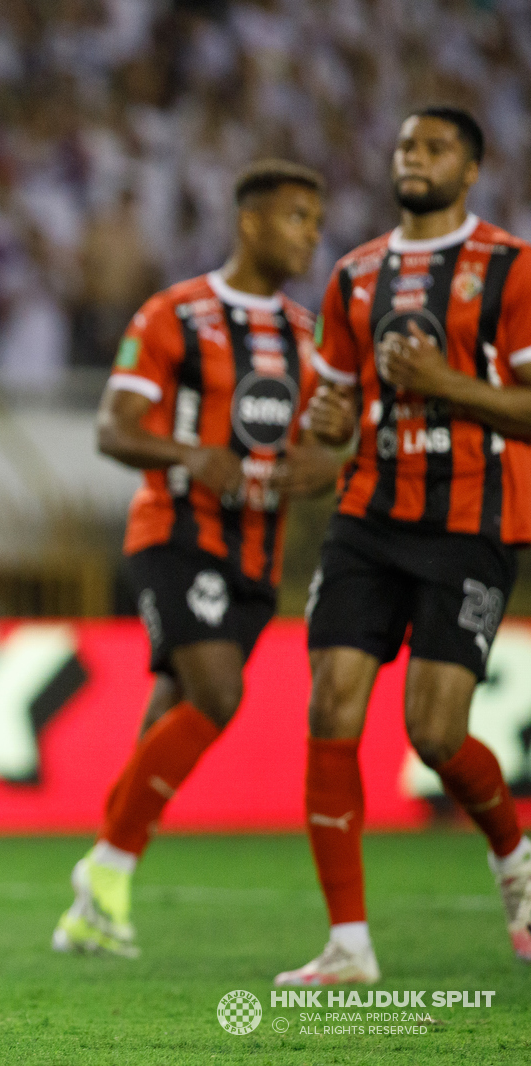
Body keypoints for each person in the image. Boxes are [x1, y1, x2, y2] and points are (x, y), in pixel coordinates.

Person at [54, 160, 347, 958]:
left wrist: (329, 463)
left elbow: (329, 440)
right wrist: (189, 455)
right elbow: (113, 429)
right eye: (297, 218)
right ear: (250, 222)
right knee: (218, 695)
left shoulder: (307, 336)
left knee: (172, 714)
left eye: (317, 223)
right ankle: (105, 874)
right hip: (176, 536)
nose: (311, 236)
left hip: (257, 551)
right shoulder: (175, 314)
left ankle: (97, 893)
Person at [276, 107, 531, 986]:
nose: (414, 159)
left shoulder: (511, 268)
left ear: (471, 172)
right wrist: (328, 422)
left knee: (434, 729)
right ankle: (348, 945)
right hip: (369, 518)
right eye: (406, 147)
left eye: (436, 149)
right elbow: (334, 408)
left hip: (474, 518)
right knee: (330, 706)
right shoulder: (353, 275)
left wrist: (442, 383)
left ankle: (514, 851)